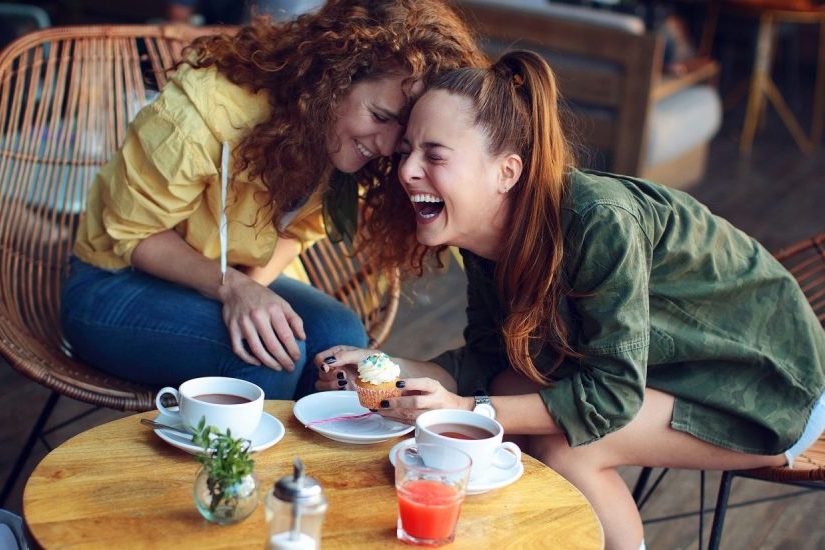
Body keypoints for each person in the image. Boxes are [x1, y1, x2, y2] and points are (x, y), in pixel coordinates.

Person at [316, 50, 825, 549]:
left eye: (434, 154)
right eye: (407, 151)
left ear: (507, 172)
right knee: (498, 398)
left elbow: (611, 397)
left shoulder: (599, 221)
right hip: (666, 374)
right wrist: (391, 369)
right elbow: (489, 361)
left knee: (566, 450)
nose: (406, 170)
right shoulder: (484, 239)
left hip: (769, 388)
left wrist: (469, 406)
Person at [60, 0, 486, 400]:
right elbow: (133, 235)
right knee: (268, 356)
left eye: (404, 131)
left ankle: (299, 467)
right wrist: (236, 291)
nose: (388, 145)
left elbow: (296, 231)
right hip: (111, 282)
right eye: (379, 116)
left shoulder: (342, 142)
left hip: (216, 275)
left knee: (339, 335)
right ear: (332, 80)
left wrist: (252, 296)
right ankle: (239, 476)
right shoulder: (199, 113)